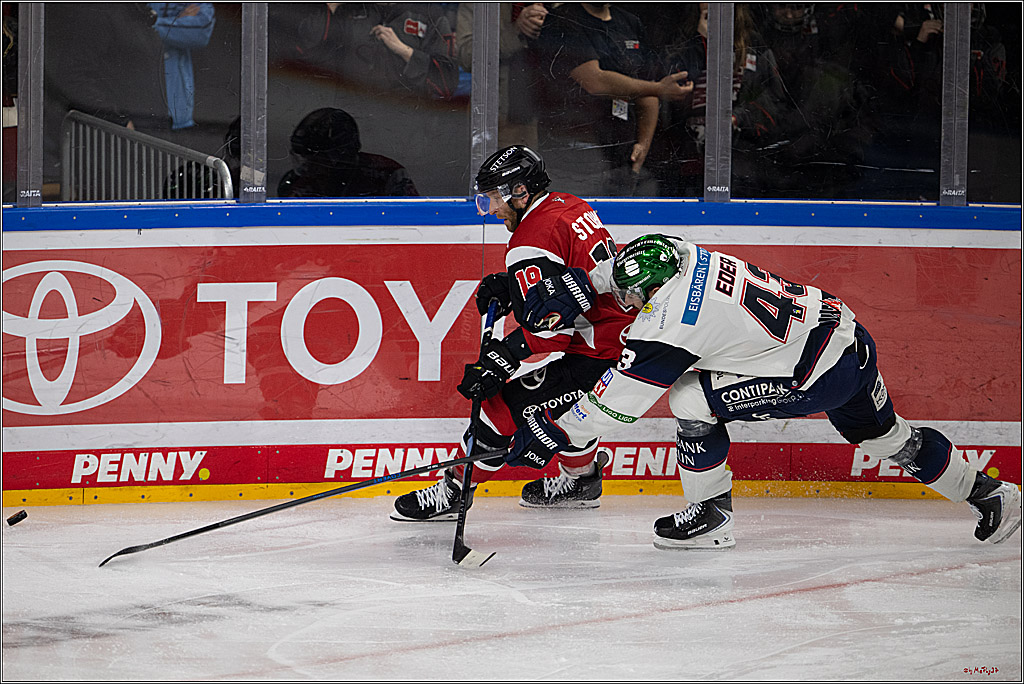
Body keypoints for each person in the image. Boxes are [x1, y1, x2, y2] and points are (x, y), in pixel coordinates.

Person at [506, 234, 1023, 549]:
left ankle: (711, 516)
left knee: (688, 398)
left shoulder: (667, 324)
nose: (627, 303)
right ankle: (991, 495)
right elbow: (634, 262)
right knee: (888, 438)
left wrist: (554, 431)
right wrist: (581, 283)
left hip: (815, 374)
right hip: (847, 336)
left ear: (653, 293)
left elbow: (614, 406)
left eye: (632, 296)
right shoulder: (681, 253)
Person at [390, 145, 635, 521]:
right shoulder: (570, 204)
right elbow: (573, 274)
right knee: (565, 408)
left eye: (493, 197)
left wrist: (502, 358)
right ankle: (582, 481)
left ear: (520, 191)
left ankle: (455, 491)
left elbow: (552, 333)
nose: (490, 209)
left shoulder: (528, 241)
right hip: (625, 338)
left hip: (600, 351)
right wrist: (515, 287)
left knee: (502, 407)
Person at [528, 2, 694, 196]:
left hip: (622, 159)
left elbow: (646, 88)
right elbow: (594, 81)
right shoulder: (562, 19)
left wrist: (642, 147)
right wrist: (659, 89)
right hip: (573, 158)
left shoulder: (629, 23)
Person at [292, 2, 460, 100]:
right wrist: (332, 6)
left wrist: (404, 51)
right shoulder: (349, 9)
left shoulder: (430, 14)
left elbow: (447, 83)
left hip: (407, 123)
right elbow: (305, 54)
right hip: (353, 116)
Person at [455, 2, 548, 149]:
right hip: (500, 121)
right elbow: (467, 57)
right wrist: (515, 30)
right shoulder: (480, 5)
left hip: (555, 119)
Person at [276, 108, 419, 198]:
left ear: (341, 155)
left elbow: (412, 218)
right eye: (303, 158)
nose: (307, 168)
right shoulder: (295, 183)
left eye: (315, 159)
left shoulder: (387, 174)